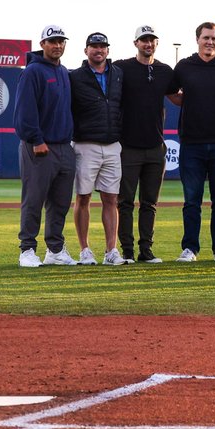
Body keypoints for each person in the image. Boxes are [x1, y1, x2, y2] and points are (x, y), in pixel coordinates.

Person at [169, 22, 215, 263]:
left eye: (213, 38)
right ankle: (190, 248)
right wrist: (190, 102)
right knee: (192, 200)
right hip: (191, 143)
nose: (209, 42)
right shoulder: (184, 66)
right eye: (205, 38)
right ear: (197, 39)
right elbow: (171, 92)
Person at [114, 25, 179, 265]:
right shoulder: (122, 67)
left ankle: (146, 250)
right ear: (136, 44)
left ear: (156, 43)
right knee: (126, 202)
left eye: (151, 40)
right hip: (128, 146)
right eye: (143, 40)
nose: (148, 44)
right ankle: (127, 250)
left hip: (155, 146)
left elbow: (177, 96)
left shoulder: (164, 70)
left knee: (150, 203)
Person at [14, 25, 77, 268]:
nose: (57, 45)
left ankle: (55, 249)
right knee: (34, 199)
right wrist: (36, 139)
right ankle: (27, 249)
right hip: (40, 146)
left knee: (60, 202)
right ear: (43, 44)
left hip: (63, 146)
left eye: (61, 41)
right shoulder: (33, 72)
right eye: (52, 41)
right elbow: (25, 112)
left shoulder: (62, 71)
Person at [69, 32, 125, 266]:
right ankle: (85, 250)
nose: (98, 50)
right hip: (85, 144)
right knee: (83, 198)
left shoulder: (118, 74)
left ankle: (111, 250)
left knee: (111, 198)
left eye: (102, 46)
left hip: (112, 145)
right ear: (86, 51)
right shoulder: (75, 76)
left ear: (108, 50)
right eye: (94, 46)